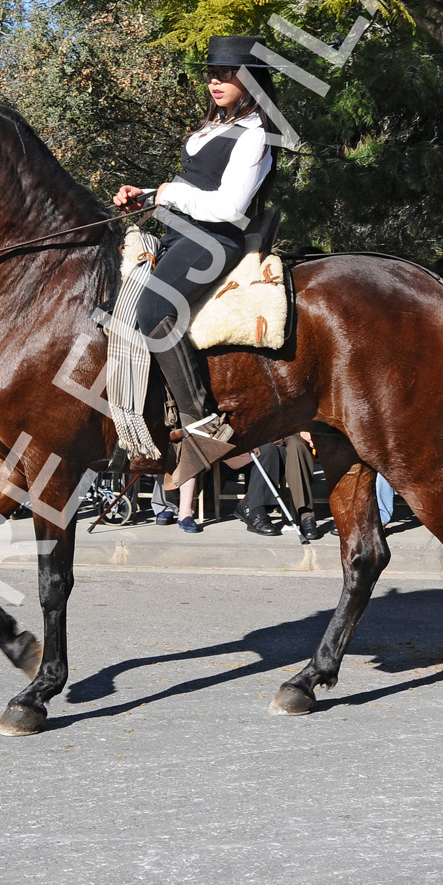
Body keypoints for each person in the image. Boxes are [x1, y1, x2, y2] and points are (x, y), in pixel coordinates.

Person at [113, 35, 278, 531]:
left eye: (226, 73)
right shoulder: (213, 127)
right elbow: (192, 190)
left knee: (149, 311)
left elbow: (229, 208)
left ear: (250, 80)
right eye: (212, 72)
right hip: (183, 233)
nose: (215, 80)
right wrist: (145, 195)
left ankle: (203, 422)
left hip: (217, 242)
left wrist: (167, 192)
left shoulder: (255, 135)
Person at [233, 434, 319, 539]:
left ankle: (306, 513)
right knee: (268, 449)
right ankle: (255, 509)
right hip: (256, 433)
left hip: (289, 428)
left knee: (297, 445)